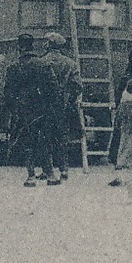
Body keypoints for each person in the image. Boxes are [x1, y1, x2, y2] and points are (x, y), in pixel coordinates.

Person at [4, 32, 58, 186]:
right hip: (43, 108)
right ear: (32, 45)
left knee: (28, 143)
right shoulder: (43, 64)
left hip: (23, 110)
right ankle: (50, 175)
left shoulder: (13, 67)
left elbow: (8, 93)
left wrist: (14, 109)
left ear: (19, 47)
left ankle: (31, 176)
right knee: (45, 140)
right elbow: (53, 88)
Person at [42, 31, 80, 181]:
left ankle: (48, 169)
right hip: (62, 106)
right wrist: (69, 99)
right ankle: (64, 169)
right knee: (62, 138)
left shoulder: (42, 62)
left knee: (45, 138)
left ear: (48, 45)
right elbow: (77, 86)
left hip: (44, 105)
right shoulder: (70, 64)